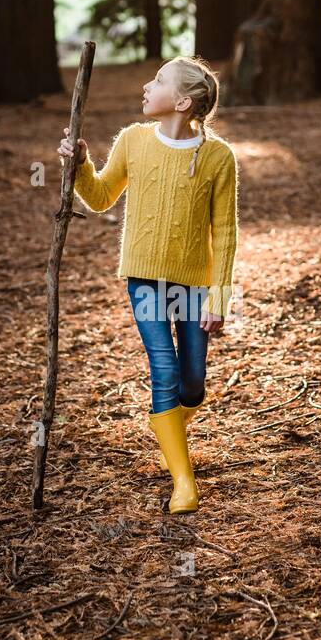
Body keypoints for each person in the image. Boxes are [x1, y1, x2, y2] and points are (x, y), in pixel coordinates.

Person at [57, 55, 239, 514]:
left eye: (157, 80)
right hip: (144, 278)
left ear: (180, 101)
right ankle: (183, 480)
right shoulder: (133, 141)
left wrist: (218, 296)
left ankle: (169, 430)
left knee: (192, 385)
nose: (145, 85)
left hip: (194, 285)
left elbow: (225, 231)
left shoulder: (218, 157)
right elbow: (99, 198)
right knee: (164, 369)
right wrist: (79, 164)